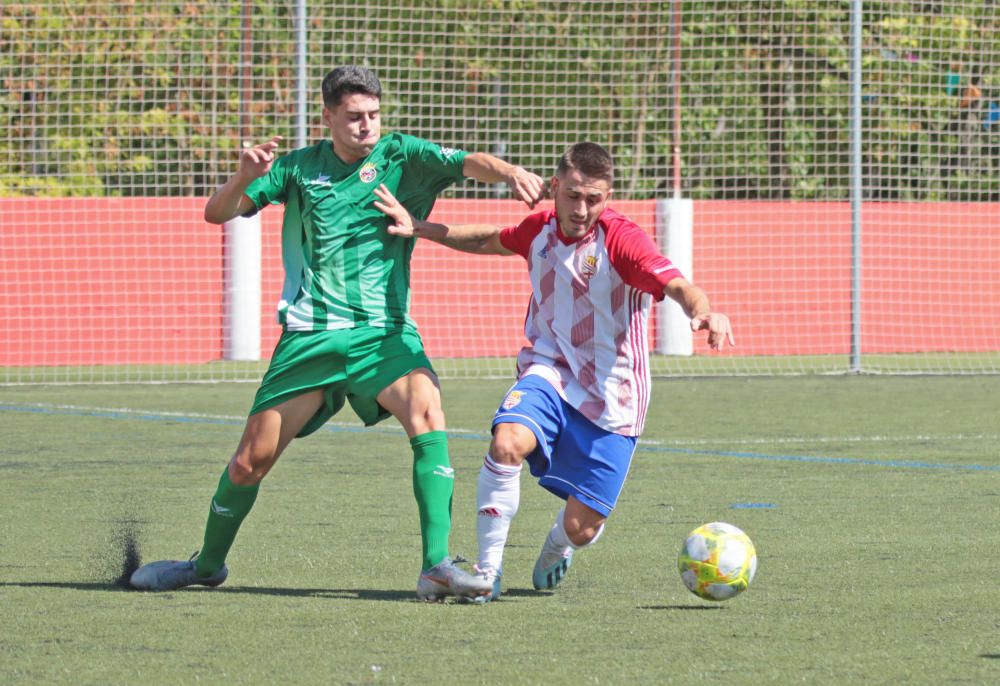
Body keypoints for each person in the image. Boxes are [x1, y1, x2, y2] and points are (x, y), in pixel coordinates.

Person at [129, 65, 546, 602]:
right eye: (353, 117)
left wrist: (509, 169)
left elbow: (467, 162)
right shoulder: (298, 168)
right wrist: (241, 175)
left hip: (385, 332)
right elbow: (217, 214)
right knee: (249, 461)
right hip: (311, 335)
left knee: (426, 411)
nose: (366, 125)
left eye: (373, 115)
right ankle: (207, 565)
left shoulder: (402, 155)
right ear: (328, 117)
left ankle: (436, 566)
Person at [373, 141, 734, 602]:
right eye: (573, 195)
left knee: (584, 528)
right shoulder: (538, 230)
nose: (582, 209)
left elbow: (678, 285)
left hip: (614, 395)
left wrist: (705, 312)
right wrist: (422, 228)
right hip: (550, 371)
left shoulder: (621, 241)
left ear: (608, 197)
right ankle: (488, 571)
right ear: (555, 187)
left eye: (594, 198)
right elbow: (489, 239)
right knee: (506, 442)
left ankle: (558, 545)